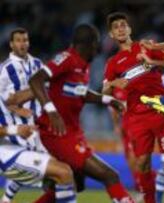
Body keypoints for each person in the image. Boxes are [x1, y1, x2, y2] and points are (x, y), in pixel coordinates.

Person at [28, 24, 134, 203]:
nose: (97, 50)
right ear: (88, 44)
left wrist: (109, 100)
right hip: (58, 133)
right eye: (95, 45)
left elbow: (80, 92)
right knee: (109, 176)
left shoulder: (83, 65)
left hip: (73, 132)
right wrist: (52, 112)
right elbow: (36, 80)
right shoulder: (67, 59)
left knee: (75, 183)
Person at [102, 12, 164, 203]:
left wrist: (153, 62)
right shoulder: (112, 63)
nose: (120, 28)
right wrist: (112, 85)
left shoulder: (146, 46)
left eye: (123, 25)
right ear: (111, 34)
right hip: (136, 117)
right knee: (142, 163)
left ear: (129, 29)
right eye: (116, 27)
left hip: (161, 109)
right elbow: (105, 91)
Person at [0, 27, 47, 203]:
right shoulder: (5, 69)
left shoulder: (37, 63)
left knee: (39, 165)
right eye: (19, 40)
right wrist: (18, 109)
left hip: (40, 120)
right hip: (21, 124)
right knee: (39, 163)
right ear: (12, 44)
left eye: (25, 40)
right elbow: (3, 99)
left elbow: (45, 88)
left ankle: (6, 199)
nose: (23, 43)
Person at [0, 96, 78, 203]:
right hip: (4, 154)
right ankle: (7, 198)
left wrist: (15, 110)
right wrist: (14, 129)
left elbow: (5, 106)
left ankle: (6, 199)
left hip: (15, 147)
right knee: (63, 173)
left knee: (64, 174)